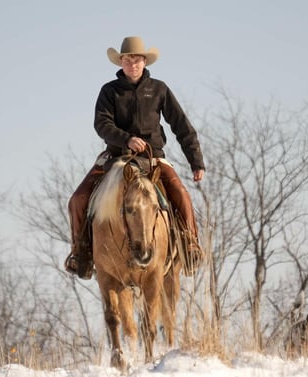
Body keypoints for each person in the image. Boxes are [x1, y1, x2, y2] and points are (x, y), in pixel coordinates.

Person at [65, 36, 205, 280]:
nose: (133, 64)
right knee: (77, 199)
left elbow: (181, 125)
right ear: (121, 62)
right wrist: (126, 139)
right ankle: (81, 252)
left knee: (181, 194)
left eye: (137, 59)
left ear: (144, 61)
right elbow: (102, 123)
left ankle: (190, 245)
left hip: (153, 159)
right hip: (116, 157)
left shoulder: (159, 89)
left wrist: (196, 161)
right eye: (128, 59)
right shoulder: (109, 91)